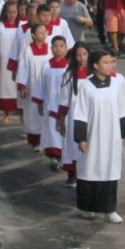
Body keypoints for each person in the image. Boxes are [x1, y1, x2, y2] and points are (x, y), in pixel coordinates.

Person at [72, 49, 125, 223]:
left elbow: (123, 109)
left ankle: (109, 210)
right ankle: (86, 208)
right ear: (95, 65)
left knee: (110, 169)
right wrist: (81, 138)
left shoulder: (117, 83)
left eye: (112, 62)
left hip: (112, 136)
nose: (111, 66)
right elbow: (80, 113)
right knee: (90, 168)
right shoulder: (86, 86)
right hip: (93, 135)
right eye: (106, 62)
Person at [55, 42, 91, 188]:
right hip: (74, 115)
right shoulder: (69, 75)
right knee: (73, 145)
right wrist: (61, 120)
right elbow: (63, 100)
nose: (82, 58)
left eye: (84, 54)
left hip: (91, 115)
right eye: (78, 55)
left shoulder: (94, 74)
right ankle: (73, 173)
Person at [34, 35, 70, 169]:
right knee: (51, 130)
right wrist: (39, 101)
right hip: (50, 103)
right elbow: (40, 85)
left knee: (64, 131)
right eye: (55, 46)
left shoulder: (69, 66)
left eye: (61, 46)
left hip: (65, 104)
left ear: (66, 48)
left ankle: (64, 157)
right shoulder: (46, 65)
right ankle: (54, 156)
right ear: (51, 48)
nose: (58, 49)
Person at [16, 23, 52, 148]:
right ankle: (34, 141)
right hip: (32, 86)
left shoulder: (50, 49)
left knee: (45, 112)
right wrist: (22, 86)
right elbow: (23, 67)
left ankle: (45, 140)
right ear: (33, 35)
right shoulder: (28, 50)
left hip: (46, 86)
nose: (43, 34)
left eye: (45, 32)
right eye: (40, 32)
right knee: (32, 113)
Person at [0, 1, 22, 125]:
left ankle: (20, 111)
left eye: (14, 12)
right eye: (9, 12)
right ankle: (6, 112)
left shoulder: (22, 26)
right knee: (5, 87)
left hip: (20, 60)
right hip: (4, 60)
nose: (12, 15)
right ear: (5, 12)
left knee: (19, 85)